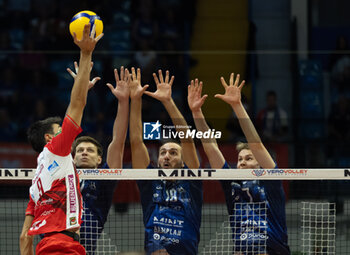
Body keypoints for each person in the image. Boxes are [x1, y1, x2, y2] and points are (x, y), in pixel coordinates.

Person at [20, 65, 130, 255]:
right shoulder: (58, 168)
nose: (84, 153)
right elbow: (72, 116)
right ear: (71, 154)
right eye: (80, 150)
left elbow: (118, 142)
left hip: (80, 248)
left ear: (99, 158)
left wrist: (123, 102)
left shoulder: (103, 178)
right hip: (59, 243)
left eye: (90, 150)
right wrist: (80, 88)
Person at [19, 23, 103, 255]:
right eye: (59, 129)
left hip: (51, 245)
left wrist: (80, 85)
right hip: (60, 246)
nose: (64, 132)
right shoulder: (57, 149)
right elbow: (76, 106)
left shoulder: (35, 185)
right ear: (49, 137)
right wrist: (86, 54)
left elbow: (25, 237)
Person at [187, 75, 290, 255]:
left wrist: (237, 106)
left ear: (260, 164)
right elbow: (211, 149)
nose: (242, 162)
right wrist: (197, 113)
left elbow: (257, 146)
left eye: (249, 158)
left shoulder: (271, 183)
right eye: (240, 159)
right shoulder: (232, 185)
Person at [129, 68, 201, 254]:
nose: (167, 155)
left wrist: (168, 102)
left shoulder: (191, 180)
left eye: (173, 152)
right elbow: (136, 142)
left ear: (182, 159)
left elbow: (187, 139)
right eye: (163, 152)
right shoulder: (149, 182)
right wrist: (135, 99)